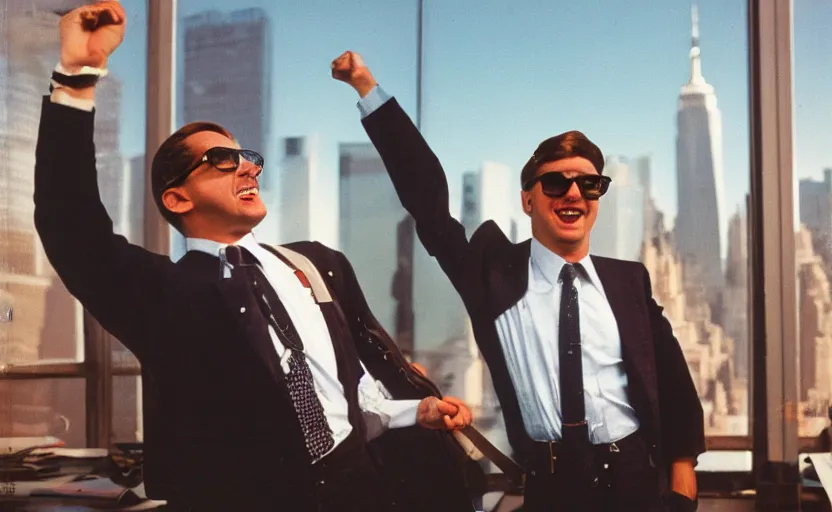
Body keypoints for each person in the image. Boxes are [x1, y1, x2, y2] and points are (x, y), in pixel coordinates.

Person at [33, 3, 478, 511]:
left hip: (363, 493)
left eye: (249, 158)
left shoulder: (317, 265)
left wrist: (411, 412)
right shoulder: (163, 295)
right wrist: (76, 77)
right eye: (222, 161)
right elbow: (71, 230)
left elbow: (344, 393)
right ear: (177, 199)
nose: (247, 168)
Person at [332, 50, 706, 512]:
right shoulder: (492, 275)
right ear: (528, 201)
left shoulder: (628, 279)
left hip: (637, 484)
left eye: (589, 186)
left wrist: (682, 490)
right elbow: (427, 203)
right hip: (551, 489)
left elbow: (672, 380)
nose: (573, 194)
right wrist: (368, 90)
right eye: (555, 184)